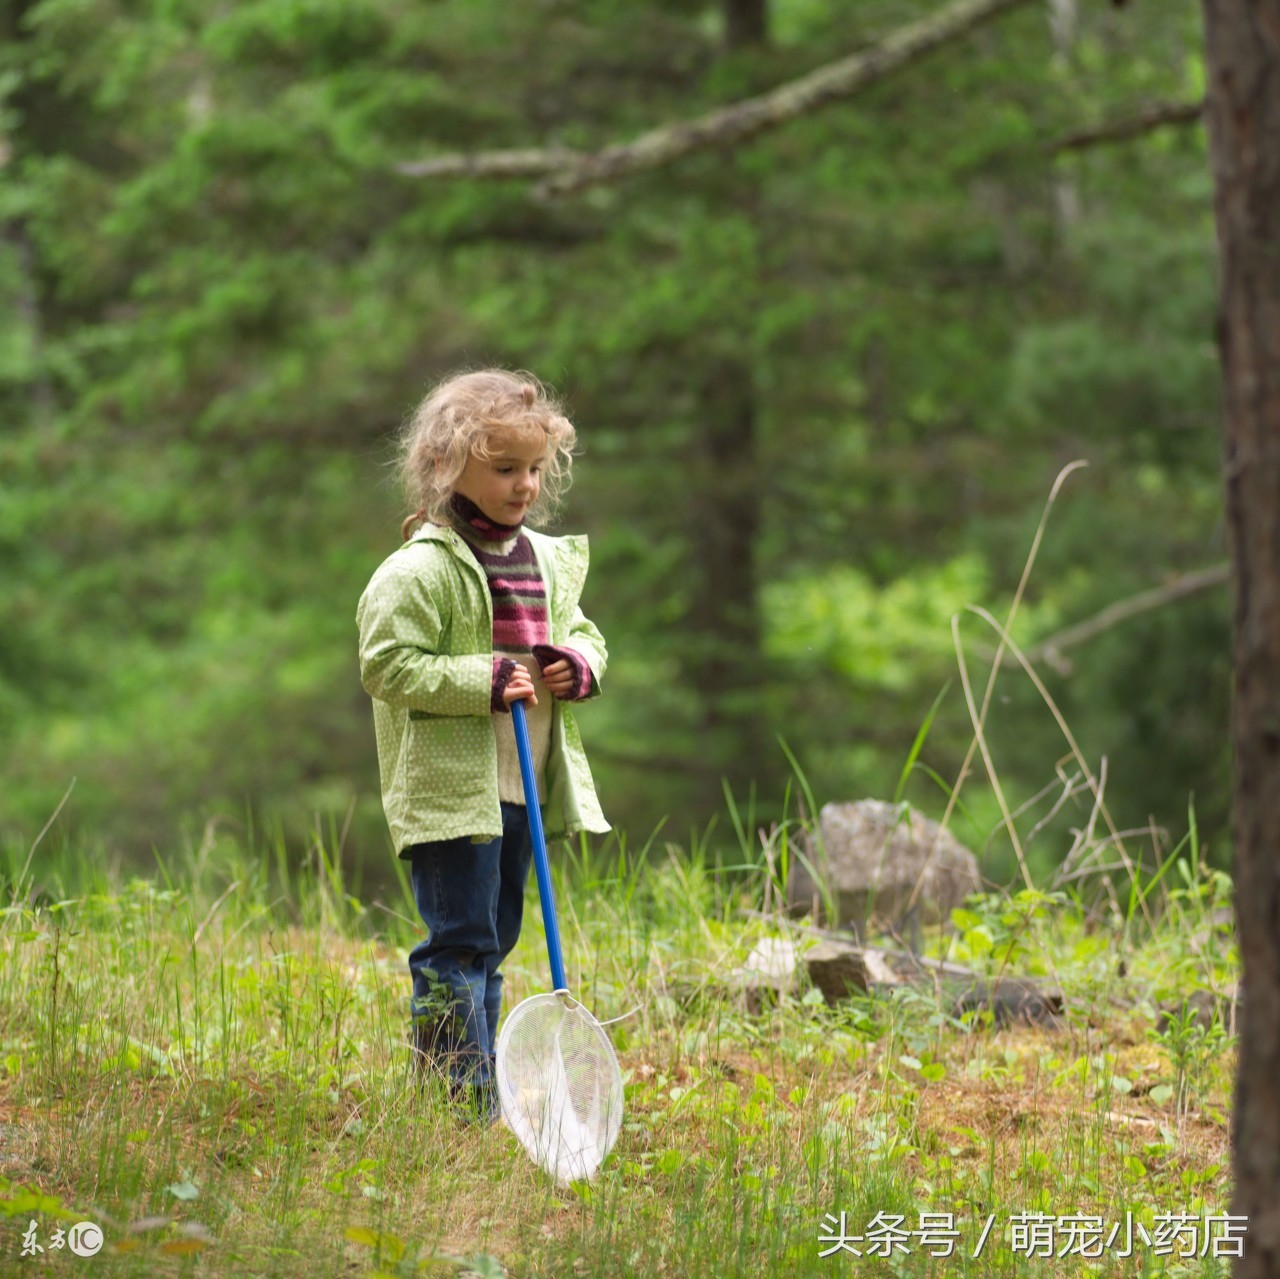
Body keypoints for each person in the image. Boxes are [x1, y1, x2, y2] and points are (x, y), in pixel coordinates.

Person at [356, 368, 609, 1121]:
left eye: (534, 468)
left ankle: (476, 1087)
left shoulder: (545, 558)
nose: (524, 484)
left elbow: (585, 630)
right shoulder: (420, 570)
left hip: (519, 781)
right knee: (458, 940)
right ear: (445, 465)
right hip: (450, 789)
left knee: (494, 937)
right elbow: (385, 664)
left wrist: (579, 663)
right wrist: (484, 677)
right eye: (505, 469)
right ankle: (455, 1099)